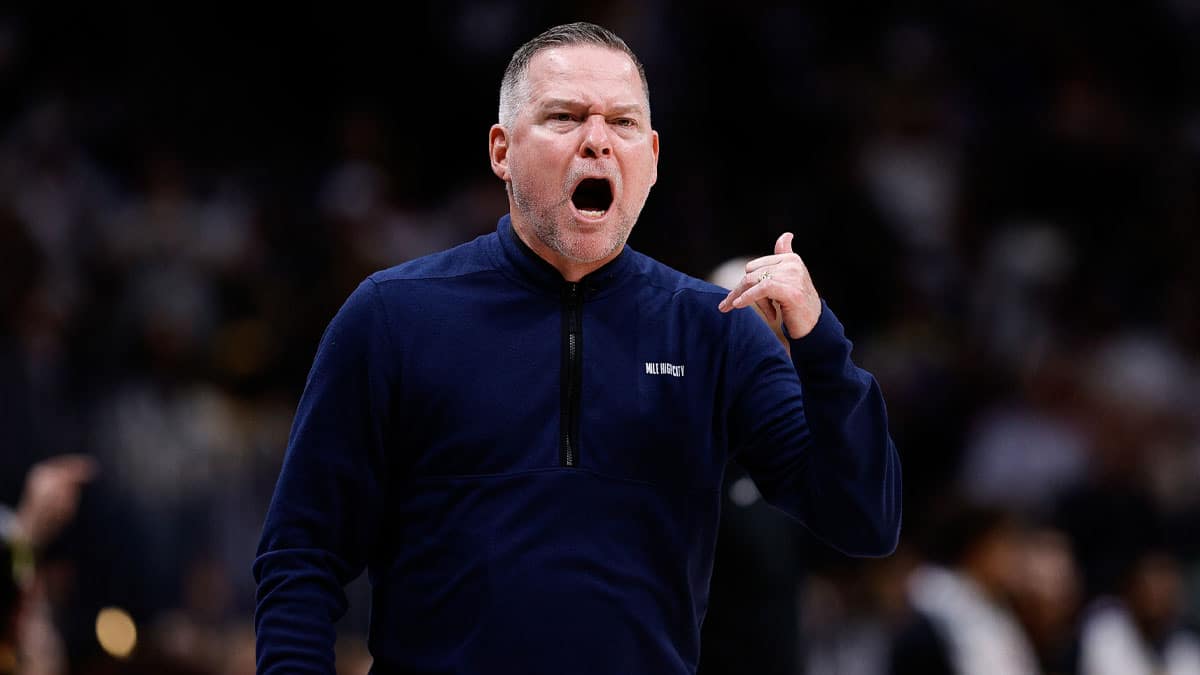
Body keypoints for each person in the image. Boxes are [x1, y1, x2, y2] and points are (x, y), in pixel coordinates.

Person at [254, 21, 902, 674]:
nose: (596, 141)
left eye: (622, 124)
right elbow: (301, 555)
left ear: (651, 157)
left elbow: (863, 519)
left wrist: (819, 339)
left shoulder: (717, 327)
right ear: (501, 150)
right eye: (565, 116)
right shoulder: (393, 315)